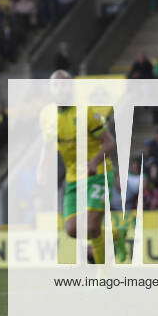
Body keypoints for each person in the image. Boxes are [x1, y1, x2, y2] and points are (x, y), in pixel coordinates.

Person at [41, 70, 127, 264]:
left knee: (91, 225)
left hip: (98, 173)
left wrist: (94, 162)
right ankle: (114, 235)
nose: (61, 90)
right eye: (56, 86)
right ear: (51, 90)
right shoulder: (48, 117)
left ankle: (104, 277)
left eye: (65, 85)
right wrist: (43, 166)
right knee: (72, 229)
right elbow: (48, 145)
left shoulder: (85, 111)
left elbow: (109, 142)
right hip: (73, 178)